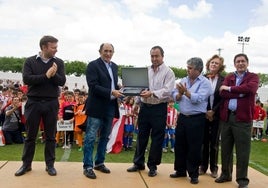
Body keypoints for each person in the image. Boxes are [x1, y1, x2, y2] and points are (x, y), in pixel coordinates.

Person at [15, 35, 66, 176]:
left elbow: (61, 81)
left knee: (50, 136)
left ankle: (50, 165)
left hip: (51, 102)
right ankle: (26, 165)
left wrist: (53, 74)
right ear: (44, 47)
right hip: (33, 102)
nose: (56, 50)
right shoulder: (30, 61)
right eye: (53, 47)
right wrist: (46, 75)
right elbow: (27, 79)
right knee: (31, 135)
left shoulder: (59, 62)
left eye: (56, 47)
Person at [127, 46, 175, 177]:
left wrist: (152, 93)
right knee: (141, 135)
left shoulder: (168, 72)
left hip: (159, 108)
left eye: (156, 56)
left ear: (162, 56)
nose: (154, 58)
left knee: (157, 138)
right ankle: (138, 163)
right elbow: (140, 88)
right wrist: (137, 102)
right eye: (152, 56)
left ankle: (153, 166)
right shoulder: (146, 70)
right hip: (145, 106)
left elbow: (168, 91)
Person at [215, 53, 259, 188]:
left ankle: (242, 180)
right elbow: (221, 93)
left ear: (247, 63)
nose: (240, 63)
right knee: (226, 149)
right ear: (234, 64)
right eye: (238, 61)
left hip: (243, 119)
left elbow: (250, 89)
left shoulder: (253, 77)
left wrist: (229, 89)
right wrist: (240, 93)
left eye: (243, 61)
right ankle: (226, 174)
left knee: (242, 151)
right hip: (227, 117)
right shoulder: (229, 76)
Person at [83, 43, 124, 179]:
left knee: (105, 136)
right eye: (105, 51)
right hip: (96, 106)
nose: (108, 53)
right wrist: (111, 91)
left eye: (110, 51)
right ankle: (88, 166)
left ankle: (99, 162)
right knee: (90, 137)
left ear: (113, 52)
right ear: (100, 51)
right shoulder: (93, 65)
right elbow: (93, 86)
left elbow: (111, 83)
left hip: (111, 105)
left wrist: (119, 87)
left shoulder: (114, 66)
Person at [170, 57, 212, 184]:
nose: (187, 70)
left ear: (198, 69)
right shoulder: (183, 80)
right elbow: (174, 94)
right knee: (180, 145)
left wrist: (185, 92)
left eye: (190, 68)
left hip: (197, 118)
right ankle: (180, 170)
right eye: (187, 67)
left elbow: (199, 98)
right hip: (182, 117)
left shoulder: (205, 83)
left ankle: (193, 174)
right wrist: (178, 95)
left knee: (194, 146)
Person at [199, 55, 225, 178]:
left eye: (217, 63)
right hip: (203, 114)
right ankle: (203, 166)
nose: (214, 65)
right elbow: (199, 96)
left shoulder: (224, 80)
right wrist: (206, 111)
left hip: (216, 114)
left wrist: (213, 111)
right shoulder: (202, 78)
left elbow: (223, 99)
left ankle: (214, 168)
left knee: (214, 143)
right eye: (212, 62)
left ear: (220, 67)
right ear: (208, 64)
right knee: (203, 142)